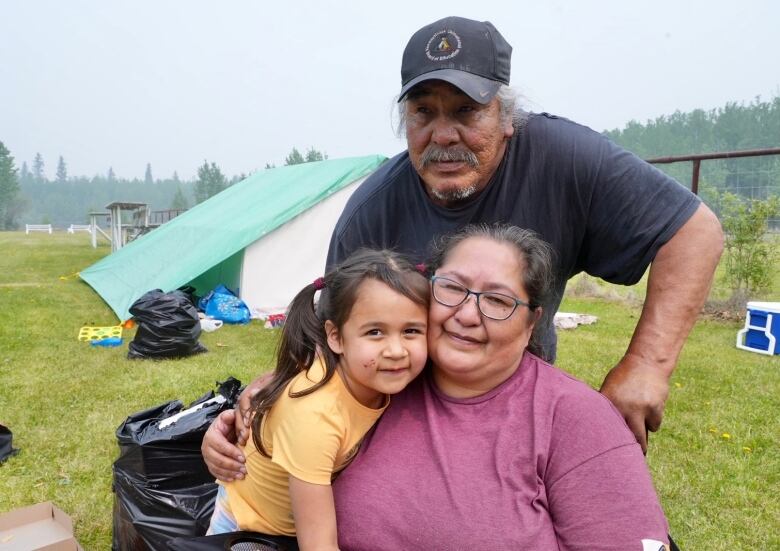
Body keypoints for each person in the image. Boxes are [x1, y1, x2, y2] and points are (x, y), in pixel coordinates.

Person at [203, 14, 723, 479]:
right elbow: (334, 343)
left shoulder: (566, 160)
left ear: (506, 116)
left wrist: (647, 366)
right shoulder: (371, 213)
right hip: (402, 412)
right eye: (423, 111)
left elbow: (693, 231)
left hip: (519, 404)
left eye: (467, 111)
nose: (443, 134)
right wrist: (267, 397)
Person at [206, 249, 429, 550]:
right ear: (335, 337)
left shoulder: (371, 377)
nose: (396, 350)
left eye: (411, 331)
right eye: (375, 332)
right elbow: (317, 545)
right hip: (251, 528)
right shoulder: (315, 416)